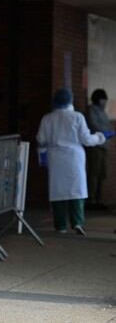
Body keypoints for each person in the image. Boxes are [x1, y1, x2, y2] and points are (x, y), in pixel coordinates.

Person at [36, 89, 106, 235]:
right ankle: (77, 222)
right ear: (70, 100)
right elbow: (86, 139)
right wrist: (100, 137)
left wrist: (42, 155)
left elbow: (41, 139)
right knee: (76, 191)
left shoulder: (47, 118)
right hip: (74, 157)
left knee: (58, 192)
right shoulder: (77, 117)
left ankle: (61, 225)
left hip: (55, 158)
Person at [85, 89, 113, 209]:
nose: (104, 102)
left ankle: (98, 198)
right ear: (98, 99)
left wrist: (109, 132)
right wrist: (105, 132)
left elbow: (107, 125)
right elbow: (93, 125)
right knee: (94, 173)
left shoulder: (102, 112)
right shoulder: (91, 110)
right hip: (95, 145)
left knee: (102, 173)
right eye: (103, 99)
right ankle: (91, 199)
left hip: (104, 146)